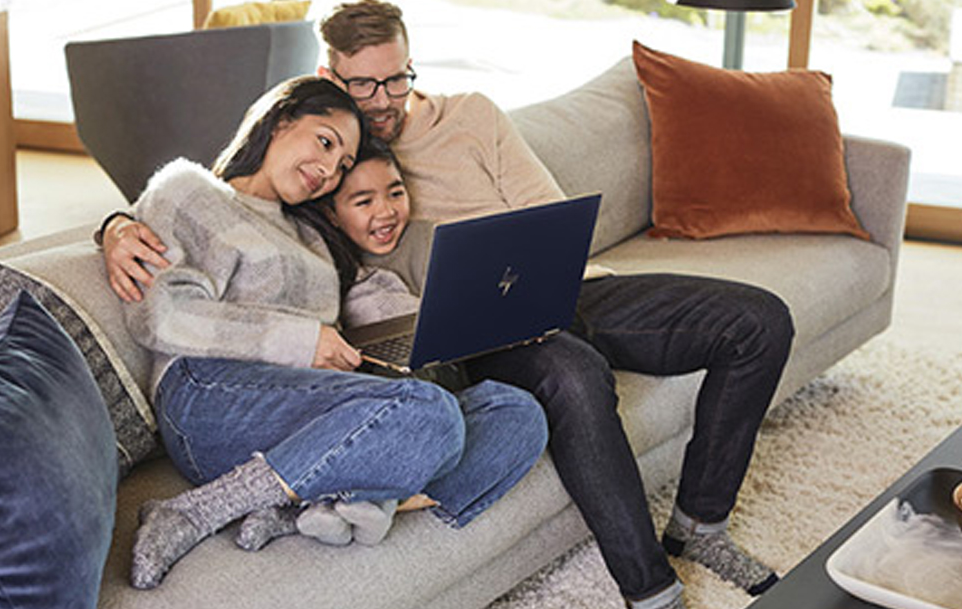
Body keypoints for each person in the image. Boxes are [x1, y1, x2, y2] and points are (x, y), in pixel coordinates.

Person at [102, 4, 795, 608]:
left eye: (394, 79)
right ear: (314, 87)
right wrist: (114, 225)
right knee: (529, 386)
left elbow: (525, 223)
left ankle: (292, 506)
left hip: (541, 294)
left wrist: (457, 305)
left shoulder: (385, 175)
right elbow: (168, 288)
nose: (377, 104)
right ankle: (649, 589)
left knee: (740, 327)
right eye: (351, 99)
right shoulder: (241, 191)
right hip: (266, 377)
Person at [122, 76, 548, 590]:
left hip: (307, 414)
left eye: (342, 164)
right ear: (281, 120)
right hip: (206, 398)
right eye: (325, 142)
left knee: (516, 411)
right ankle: (194, 512)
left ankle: (304, 501)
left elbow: (371, 299)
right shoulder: (187, 189)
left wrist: (460, 318)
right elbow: (161, 314)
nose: (328, 169)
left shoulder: (312, 234)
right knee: (431, 416)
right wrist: (303, 341)